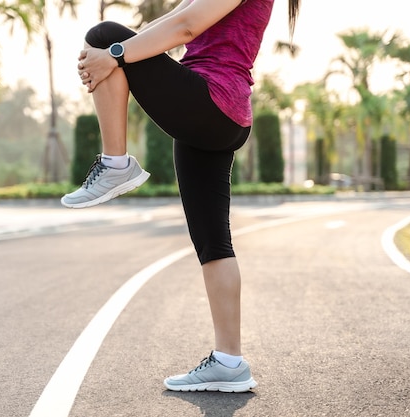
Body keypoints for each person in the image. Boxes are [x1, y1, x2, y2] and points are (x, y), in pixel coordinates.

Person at [61, 0, 300, 392]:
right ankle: (229, 362)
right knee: (213, 244)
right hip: (213, 110)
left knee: (104, 37)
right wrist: (111, 60)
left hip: (212, 101)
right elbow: (173, 18)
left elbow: (187, 27)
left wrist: (114, 55)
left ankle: (116, 163)